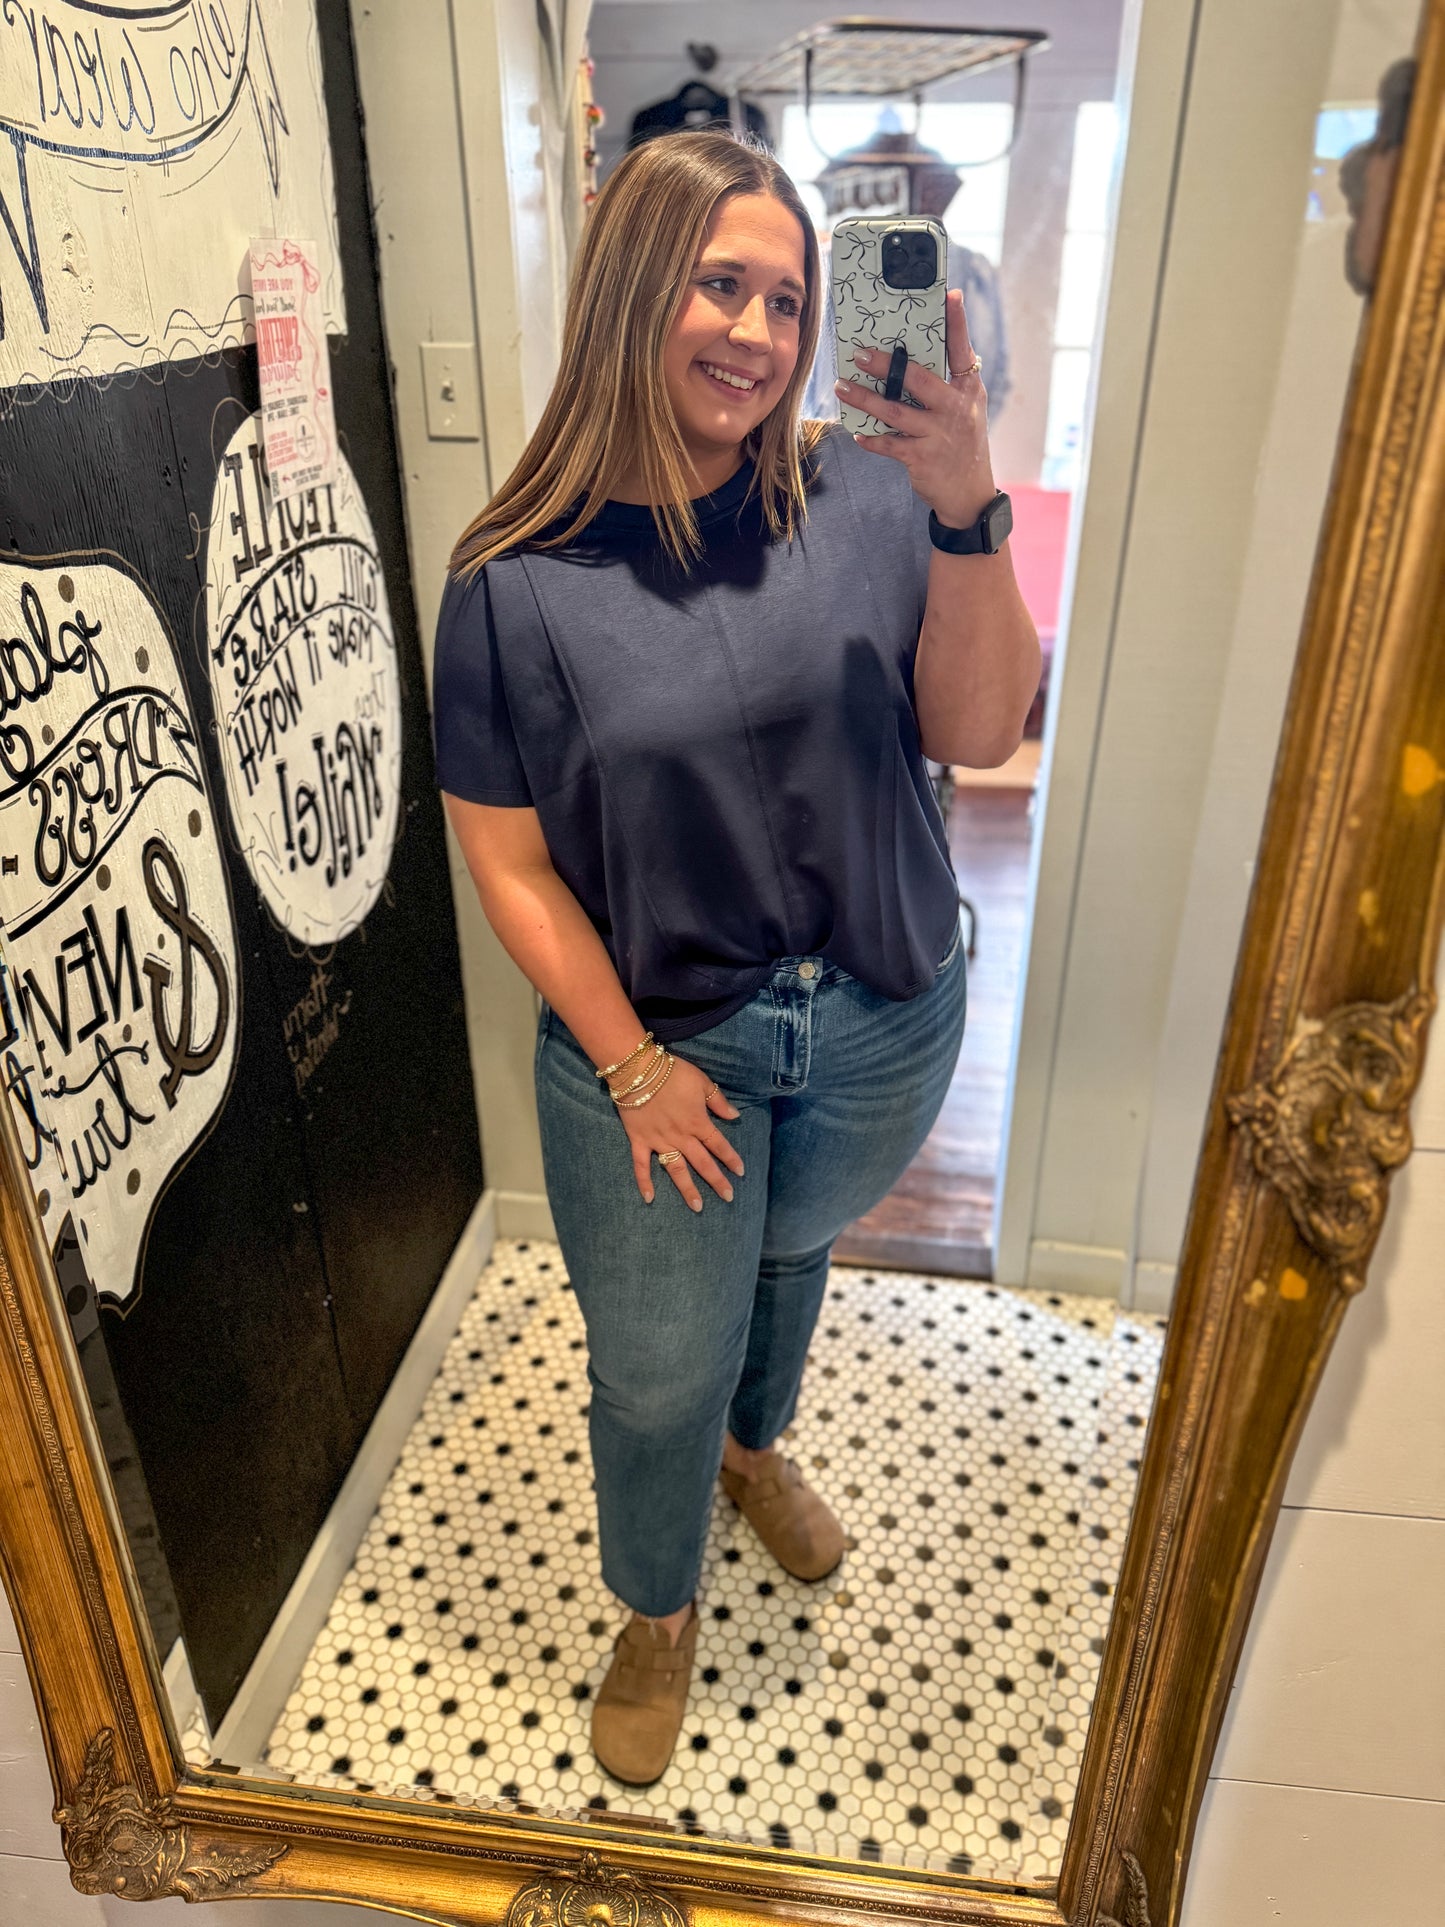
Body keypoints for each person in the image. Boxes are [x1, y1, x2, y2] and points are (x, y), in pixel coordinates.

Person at [432, 130, 1039, 1789]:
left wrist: (968, 499)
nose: (760, 335)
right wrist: (628, 1062)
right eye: (722, 285)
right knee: (649, 1365)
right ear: (637, 287)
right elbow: (505, 856)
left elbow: (980, 735)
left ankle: (756, 1453)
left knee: (783, 1262)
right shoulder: (510, 581)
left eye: (788, 297)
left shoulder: (864, 496)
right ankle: (655, 1609)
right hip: (662, 1046)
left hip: (877, 1021)